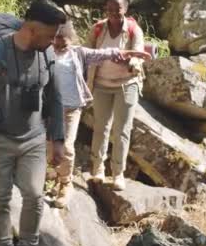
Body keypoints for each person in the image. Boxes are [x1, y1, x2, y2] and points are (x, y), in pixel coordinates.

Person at [0, 0, 67, 246]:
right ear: (32, 29)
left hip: (33, 138)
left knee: (34, 195)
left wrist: (58, 139)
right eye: (50, 35)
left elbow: (55, 97)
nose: (54, 41)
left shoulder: (47, 54)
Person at [48, 21, 150, 207]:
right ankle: (56, 177)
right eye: (56, 42)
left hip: (72, 109)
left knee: (67, 147)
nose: (60, 46)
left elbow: (104, 54)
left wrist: (129, 54)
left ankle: (66, 183)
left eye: (64, 43)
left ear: (71, 41)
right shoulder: (45, 53)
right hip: (51, 110)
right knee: (51, 148)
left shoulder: (79, 53)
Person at [86, 0, 145, 191]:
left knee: (122, 130)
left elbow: (139, 56)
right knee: (101, 127)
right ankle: (98, 168)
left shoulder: (133, 30)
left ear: (126, 8)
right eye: (109, 9)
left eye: (117, 9)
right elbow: (87, 53)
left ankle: (118, 173)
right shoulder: (98, 29)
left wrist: (129, 62)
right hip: (101, 84)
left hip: (126, 85)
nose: (113, 13)